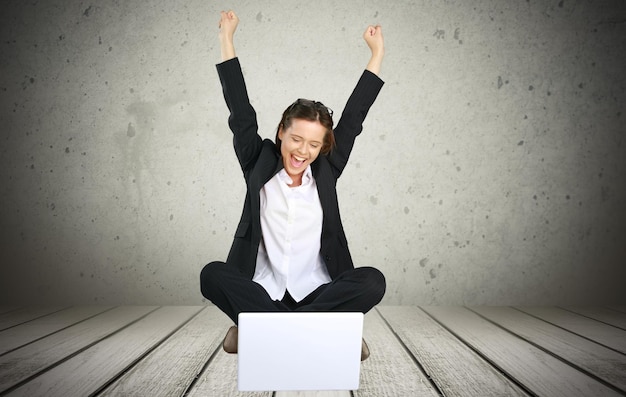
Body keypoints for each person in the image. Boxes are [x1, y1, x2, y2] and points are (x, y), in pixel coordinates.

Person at [200, 10, 386, 361]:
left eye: (314, 144)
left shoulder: (328, 170)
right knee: (211, 275)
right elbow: (240, 113)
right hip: (264, 293)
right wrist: (227, 40)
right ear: (282, 132)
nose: (303, 151)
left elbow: (353, 119)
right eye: (296, 139)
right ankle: (328, 335)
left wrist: (376, 56)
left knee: (373, 280)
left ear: (323, 147)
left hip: (317, 293)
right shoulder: (258, 162)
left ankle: (260, 333)